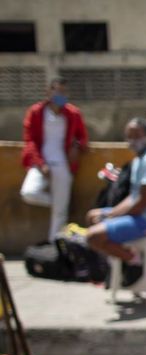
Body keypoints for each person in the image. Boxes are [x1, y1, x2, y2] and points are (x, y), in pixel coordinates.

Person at [85, 118, 146, 263]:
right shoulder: (139, 161)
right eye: (129, 136)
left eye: (137, 135)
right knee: (92, 216)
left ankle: (135, 262)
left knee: (92, 237)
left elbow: (142, 204)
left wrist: (110, 217)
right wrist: (110, 213)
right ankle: (117, 263)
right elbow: (133, 197)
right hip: (139, 216)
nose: (133, 140)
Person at [21, 77, 89, 240]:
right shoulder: (36, 112)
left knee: (59, 216)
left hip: (63, 164)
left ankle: (56, 247)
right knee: (29, 192)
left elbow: (83, 137)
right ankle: (60, 204)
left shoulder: (73, 113)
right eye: (57, 91)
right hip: (41, 163)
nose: (61, 95)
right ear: (49, 92)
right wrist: (40, 163)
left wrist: (76, 146)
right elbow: (30, 140)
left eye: (64, 92)